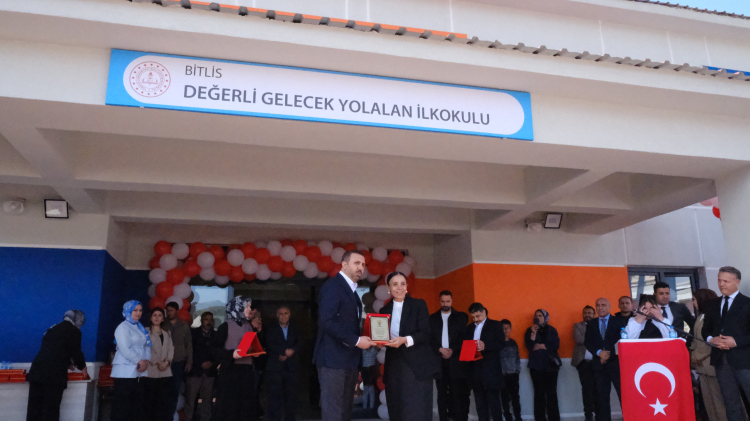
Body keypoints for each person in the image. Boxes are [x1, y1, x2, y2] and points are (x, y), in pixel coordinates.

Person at [312, 250, 376, 421]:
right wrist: (356, 340)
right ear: (344, 265)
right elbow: (326, 321)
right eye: (357, 263)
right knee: (334, 413)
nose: (361, 267)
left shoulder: (352, 291)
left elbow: (349, 325)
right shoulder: (333, 286)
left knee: (345, 412)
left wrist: (370, 338)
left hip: (349, 360)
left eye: (363, 265)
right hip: (333, 360)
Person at [380, 272, 439, 421]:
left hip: (416, 364)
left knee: (416, 409)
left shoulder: (418, 305)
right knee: (396, 406)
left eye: (402, 284)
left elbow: (426, 333)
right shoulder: (384, 311)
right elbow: (381, 335)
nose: (399, 288)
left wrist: (405, 340)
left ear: (407, 286)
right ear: (388, 288)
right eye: (395, 284)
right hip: (394, 365)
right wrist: (378, 342)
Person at [702, 266, 750, 421]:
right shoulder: (712, 304)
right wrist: (711, 339)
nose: (721, 284)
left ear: (737, 282)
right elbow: (705, 329)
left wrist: (735, 342)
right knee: (731, 404)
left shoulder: (747, 303)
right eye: (719, 280)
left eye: (726, 281)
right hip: (721, 362)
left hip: (745, 362)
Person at [26, 310, 88, 421]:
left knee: (35, 409)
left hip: (36, 371)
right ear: (77, 320)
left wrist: (67, 363)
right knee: (50, 410)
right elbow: (76, 352)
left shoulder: (53, 328)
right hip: (53, 375)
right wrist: (82, 366)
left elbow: (54, 350)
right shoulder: (74, 331)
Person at [213, 296, 259, 421]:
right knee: (229, 406)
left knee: (245, 406)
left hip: (246, 372)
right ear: (237, 308)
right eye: (246, 306)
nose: (249, 309)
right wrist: (232, 354)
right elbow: (215, 350)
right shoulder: (225, 326)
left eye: (249, 306)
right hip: (230, 372)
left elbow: (250, 346)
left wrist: (255, 352)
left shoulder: (248, 326)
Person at [429, 290, 470, 421]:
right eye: (443, 301)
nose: (445, 304)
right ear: (439, 301)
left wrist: (452, 350)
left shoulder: (460, 317)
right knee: (441, 393)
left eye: (448, 301)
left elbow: (464, 338)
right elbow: (429, 339)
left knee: (456, 393)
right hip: (439, 360)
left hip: (456, 361)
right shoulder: (432, 318)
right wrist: (440, 349)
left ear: (452, 301)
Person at [584, 298, 626, 421]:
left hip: (615, 364)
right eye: (598, 305)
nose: (600, 307)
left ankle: (629, 417)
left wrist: (607, 354)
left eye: (603, 305)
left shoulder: (618, 321)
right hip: (599, 365)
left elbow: (622, 340)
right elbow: (588, 342)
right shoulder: (591, 323)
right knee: (601, 398)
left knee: (623, 395)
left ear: (609, 307)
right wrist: (599, 353)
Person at [691, 289, 728, 421]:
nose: (693, 302)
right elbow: (696, 340)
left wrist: (696, 356)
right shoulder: (700, 316)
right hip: (702, 367)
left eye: (694, 299)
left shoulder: (714, 315)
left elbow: (712, 341)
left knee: (720, 402)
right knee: (709, 404)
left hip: (713, 365)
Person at [111, 300, 151, 421]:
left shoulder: (140, 327)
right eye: (135, 310)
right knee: (122, 406)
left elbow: (147, 346)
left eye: (140, 310)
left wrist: (146, 361)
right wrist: (140, 361)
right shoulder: (122, 327)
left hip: (139, 371)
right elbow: (125, 348)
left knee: (136, 406)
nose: (138, 313)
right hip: (125, 371)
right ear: (128, 311)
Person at [465, 302, 505, 421]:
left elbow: (501, 344)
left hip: (491, 371)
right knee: (480, 403)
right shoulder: (469, 328)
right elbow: (467, 345)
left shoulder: (495, 325)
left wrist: (486, 346)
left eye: (478, 316)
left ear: (484, 312)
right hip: (475, 370)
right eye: (473, 317)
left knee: (494, 403)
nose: (476, 319)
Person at [266, 305, 302, 421]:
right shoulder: (271, 328)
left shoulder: (295, 327)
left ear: (289, 315)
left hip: (291, 368)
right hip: (275, 368)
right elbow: (269, 343)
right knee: (274, 398)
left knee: (291, 397)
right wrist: (283, 351)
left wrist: (292, 351)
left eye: (286, 313)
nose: (283, 316)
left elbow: (300, 342)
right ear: (277, 315)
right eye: (281, 313)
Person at [525, 309, 561, 421]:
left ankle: (554, 418)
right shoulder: (529, 330)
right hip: (536, 366)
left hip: (551, 366)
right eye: (536, 315)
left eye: (540, 315)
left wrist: (541, 346)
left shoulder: (552, 330)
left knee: (551, 393)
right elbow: (530, 346)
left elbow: (555, 345)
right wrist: (533, 333)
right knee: (539, 393)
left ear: (545, 317)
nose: (538, 317)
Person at [185, 312, 216, 421]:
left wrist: (213, 363)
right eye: (206, 319)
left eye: (210, 319)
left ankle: (206, 419)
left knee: (207, 400)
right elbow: (190, 351)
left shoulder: (216, 335)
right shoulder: (193, 333)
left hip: (210, 372)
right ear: (202, 321)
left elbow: (218, 352)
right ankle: (188, 418)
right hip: (195, 371)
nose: (208, 322)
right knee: (190, 399)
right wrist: (199, 363)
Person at [145, 307, 175, 421]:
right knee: (150, 401)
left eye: (159, 315)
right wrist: (158, 362)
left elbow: (171, 349)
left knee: (163, 401)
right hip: (151, 371)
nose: (157, 317)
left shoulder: (167, 333)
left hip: (165, 372)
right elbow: (146, 349)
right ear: (150, 318)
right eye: (154, 315)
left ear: (163, 318)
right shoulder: (145, 332)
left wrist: (167, 362)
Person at [164, 302, 193, 416]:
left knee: (175, 389)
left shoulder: (184, 325)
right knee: (164, 389)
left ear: (177, 311)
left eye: (171, 310)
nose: (169, 313)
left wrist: (189, 361)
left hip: (178, 361)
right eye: (167, 310)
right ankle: (163, 414)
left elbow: (188, 344)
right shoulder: (163, 323)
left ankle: (171, 414)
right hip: (164, 361)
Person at [572, 306, 596, 421]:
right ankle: (588, 415)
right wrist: (593, 336)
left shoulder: (599, 326)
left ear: (594, 315)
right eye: (585, 313)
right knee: (587, 389)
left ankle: (599, 413)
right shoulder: (577, 326)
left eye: (590, 313)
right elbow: (578, 339)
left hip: (597, 361)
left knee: (598, 389)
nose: (587, 315)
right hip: (583, 362)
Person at [499, 319, 522, 421]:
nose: (505, 330)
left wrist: (517, 370)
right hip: (503, 375)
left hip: (514, 374)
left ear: (511, 329)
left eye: (507, 328)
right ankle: (508, 417)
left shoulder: (513, 343)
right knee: (505, 398)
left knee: (515, 398)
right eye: (503, 328)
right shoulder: (498, 343)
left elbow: (517, 358)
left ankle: (518, 417)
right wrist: (502, 372)